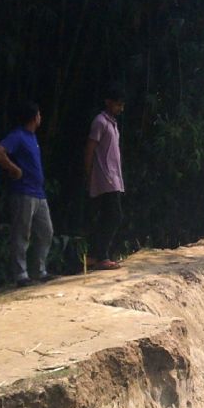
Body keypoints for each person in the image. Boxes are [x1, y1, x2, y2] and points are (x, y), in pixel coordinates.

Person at [0, 100, 54, 287]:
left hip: (38, 192)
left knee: (46, 231)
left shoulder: (31, 137)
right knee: (22, 233)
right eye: (39, 114)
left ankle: (39, 270)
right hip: (23, 192)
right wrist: (13, 169)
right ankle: (21, 275)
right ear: (35, 117)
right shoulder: (18, 136)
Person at [84, 87, 126, 270]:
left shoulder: (112, 123)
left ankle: (94, 255)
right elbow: (90, 148)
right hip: (105, 177)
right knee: (114, 215)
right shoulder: (100, 122)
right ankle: (102, 255)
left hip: (114, 176)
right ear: (108, 102)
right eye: (118, 104)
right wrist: (88, 173)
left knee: (105, 216)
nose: (120, 108)